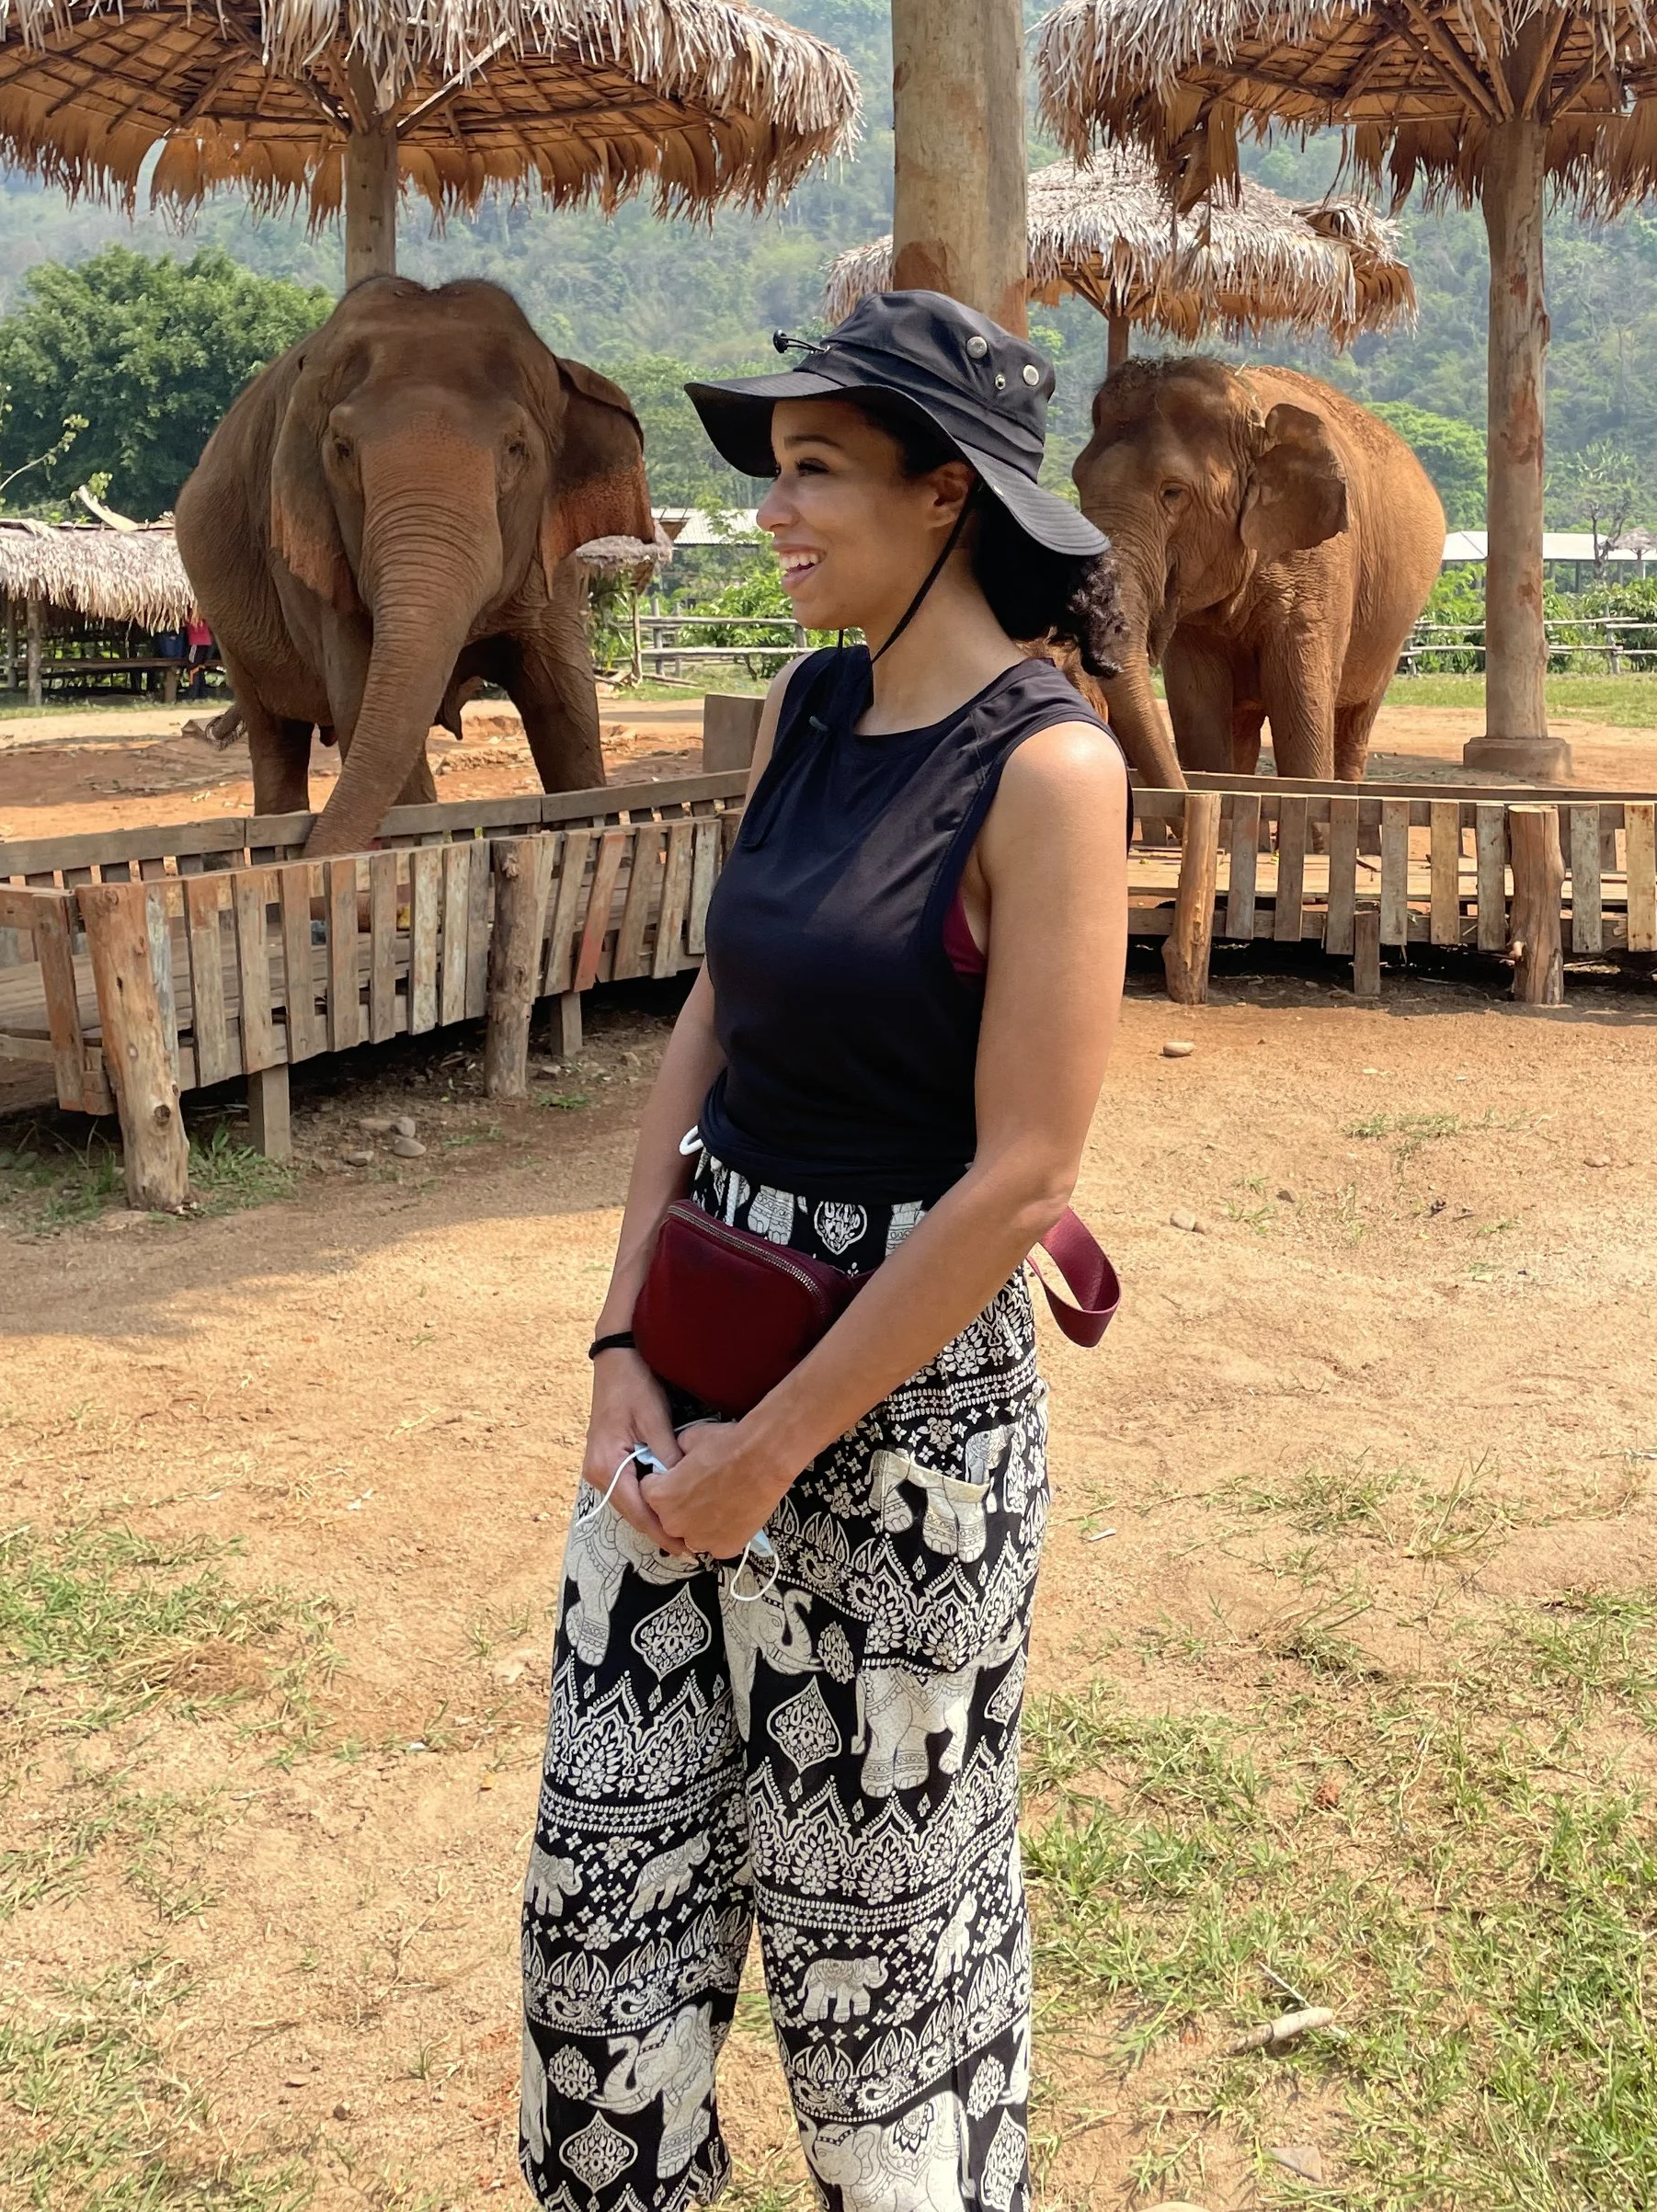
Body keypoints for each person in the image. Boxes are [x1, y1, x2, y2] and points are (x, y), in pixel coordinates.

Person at [520, 291, 1132, 2212]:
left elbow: (1023, 1174)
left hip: (899, 1428)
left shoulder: (1047, 771)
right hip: (693, 1354)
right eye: (768, 471)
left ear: (944, 494)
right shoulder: (804, 708)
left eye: (811, 473)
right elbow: (710, 1023)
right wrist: (624, 1338)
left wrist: (771, 1446)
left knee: (881, 1990)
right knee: (600, 1934)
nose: (767, 511)